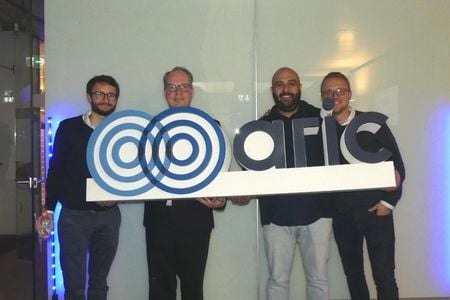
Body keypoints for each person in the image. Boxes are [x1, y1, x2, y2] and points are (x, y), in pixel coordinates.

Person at [320, 72, 405, 300]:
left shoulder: (371, 124)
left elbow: (397, 168)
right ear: (322, 97)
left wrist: (389, 202)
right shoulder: (321, 130)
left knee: (385, 276)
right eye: (329, 92)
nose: (335, 96)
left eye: (340, 91)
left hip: (377, 211)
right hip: (343, 216)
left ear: (349, 94)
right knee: (354, 276)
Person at [36, 75, 122, 300]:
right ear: (89, 97)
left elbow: (131, 174)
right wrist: (48, 208)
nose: (105, 99)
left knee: (99, 283)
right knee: (74, 286)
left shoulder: (122, 130)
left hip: (108, 217)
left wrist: (117, 196)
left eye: (111, 95)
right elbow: (56, 170)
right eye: (99, 94)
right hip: (74, 216)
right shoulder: (69, 128)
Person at [143, 66, 226, 300]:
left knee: (193, 288)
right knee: (160, 290)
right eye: (172, 87)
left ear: (192, 91)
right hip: (158, 221)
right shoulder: (149, 129)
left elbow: (220, 175)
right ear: (164, 92)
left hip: (195, 221)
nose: (177, 92)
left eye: (183, 86)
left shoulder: (212, 128)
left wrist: (220, 199)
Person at [259, 67, 332, 300]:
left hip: (318, 213)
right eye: (280, 84)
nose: (286, 89)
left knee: (318, 279)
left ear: (299, 86)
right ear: (273, 90)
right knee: (277, 280)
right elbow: (251, 169)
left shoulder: (320, 118)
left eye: (291, 83)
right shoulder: (262, 125)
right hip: (276, 216)